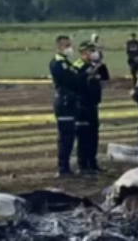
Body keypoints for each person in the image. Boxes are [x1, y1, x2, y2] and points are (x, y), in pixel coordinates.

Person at [49, 35, 84, 178]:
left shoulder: (66, 63)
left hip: (69, 102)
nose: (70, 48)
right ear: (59, 47)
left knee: (70, 136)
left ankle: (66, 166)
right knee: (65, 137)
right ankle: (63, 167)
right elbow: (70, 80)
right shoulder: (58, 63)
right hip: (63, 102)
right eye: (67, 45)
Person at [75, 41, 109, 176]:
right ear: (84, 52)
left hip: (93, 104)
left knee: (93, 135)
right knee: (84, 136)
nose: (95, 53)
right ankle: (83, 165)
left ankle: (93, 163)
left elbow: (105, 79)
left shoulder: (95, 65)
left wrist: (101, 65)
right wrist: (91, 71)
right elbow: (79, 82)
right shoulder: (78, 66)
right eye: (92, 50)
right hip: (82, 105)